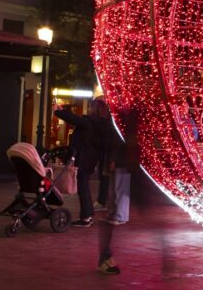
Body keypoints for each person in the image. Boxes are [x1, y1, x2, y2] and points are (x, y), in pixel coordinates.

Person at [97, 105, 141, 275]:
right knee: (120, 188)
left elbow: (115, 143)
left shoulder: (118, 126)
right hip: (126, 161)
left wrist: (113, 159)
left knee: (120, 188)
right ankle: (120, 214)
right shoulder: (126, 127)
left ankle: (120, 215)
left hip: (123, 161)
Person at [55, 97, 111, 227]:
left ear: (95, 109)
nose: (89, 108)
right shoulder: (103, 124)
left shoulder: (89, 122)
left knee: (82, 187)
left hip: (82, 158)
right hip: (91, 159)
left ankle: (86, 217)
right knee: (83, 185)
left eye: (91, 106)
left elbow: (74, 119)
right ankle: (88, 214)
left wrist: (58, 111)